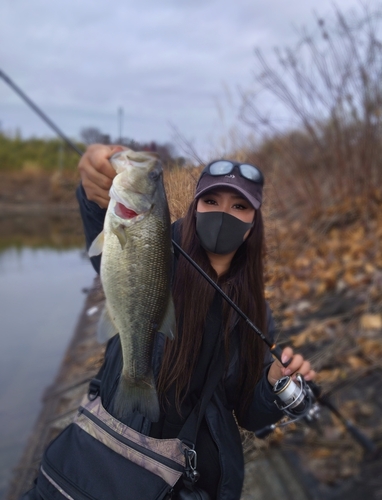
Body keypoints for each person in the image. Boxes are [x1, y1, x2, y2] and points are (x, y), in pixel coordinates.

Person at [76, 144, 316, 500]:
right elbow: (106, 225)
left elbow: (249, 414)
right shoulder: (158, 249)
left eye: (239, 206)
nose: (224, 213)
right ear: (194, 206)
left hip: (190, 476)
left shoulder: (257, 312)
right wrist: (91, 186)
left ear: (254, 223)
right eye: (211, 201)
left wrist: (271, 385)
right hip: (108, 452)